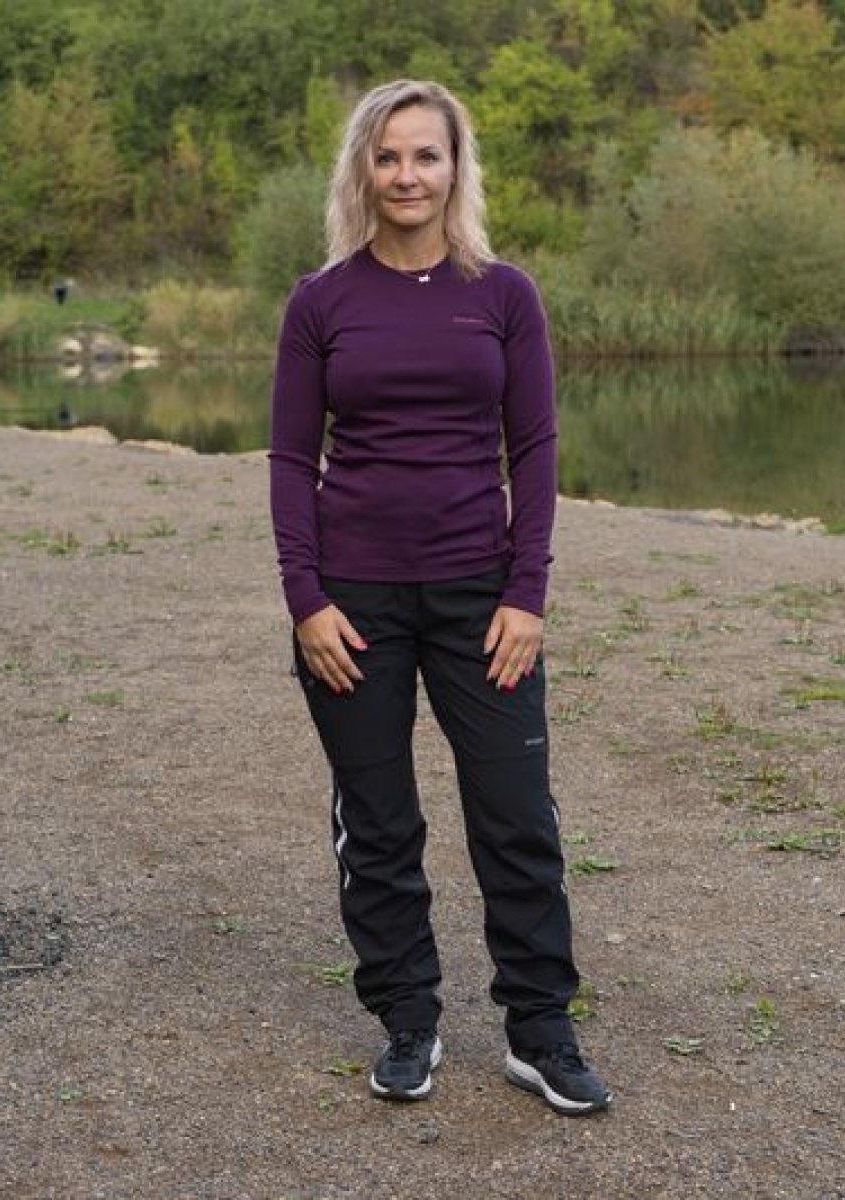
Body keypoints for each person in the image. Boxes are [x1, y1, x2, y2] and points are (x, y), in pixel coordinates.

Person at [268, 79, 610, 1116]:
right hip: (352, 604)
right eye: (387, 156)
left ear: (456, 168)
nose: (407, 175)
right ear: (361, 173)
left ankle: (538, 1029)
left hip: (481, 600)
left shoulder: (503, 295)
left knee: (516, 816)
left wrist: (526, 594)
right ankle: (407, 1020)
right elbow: (289, 459)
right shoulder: (320, 302)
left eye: (426, 155)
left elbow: (534, 449)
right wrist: (306, 600)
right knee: (377, 822)